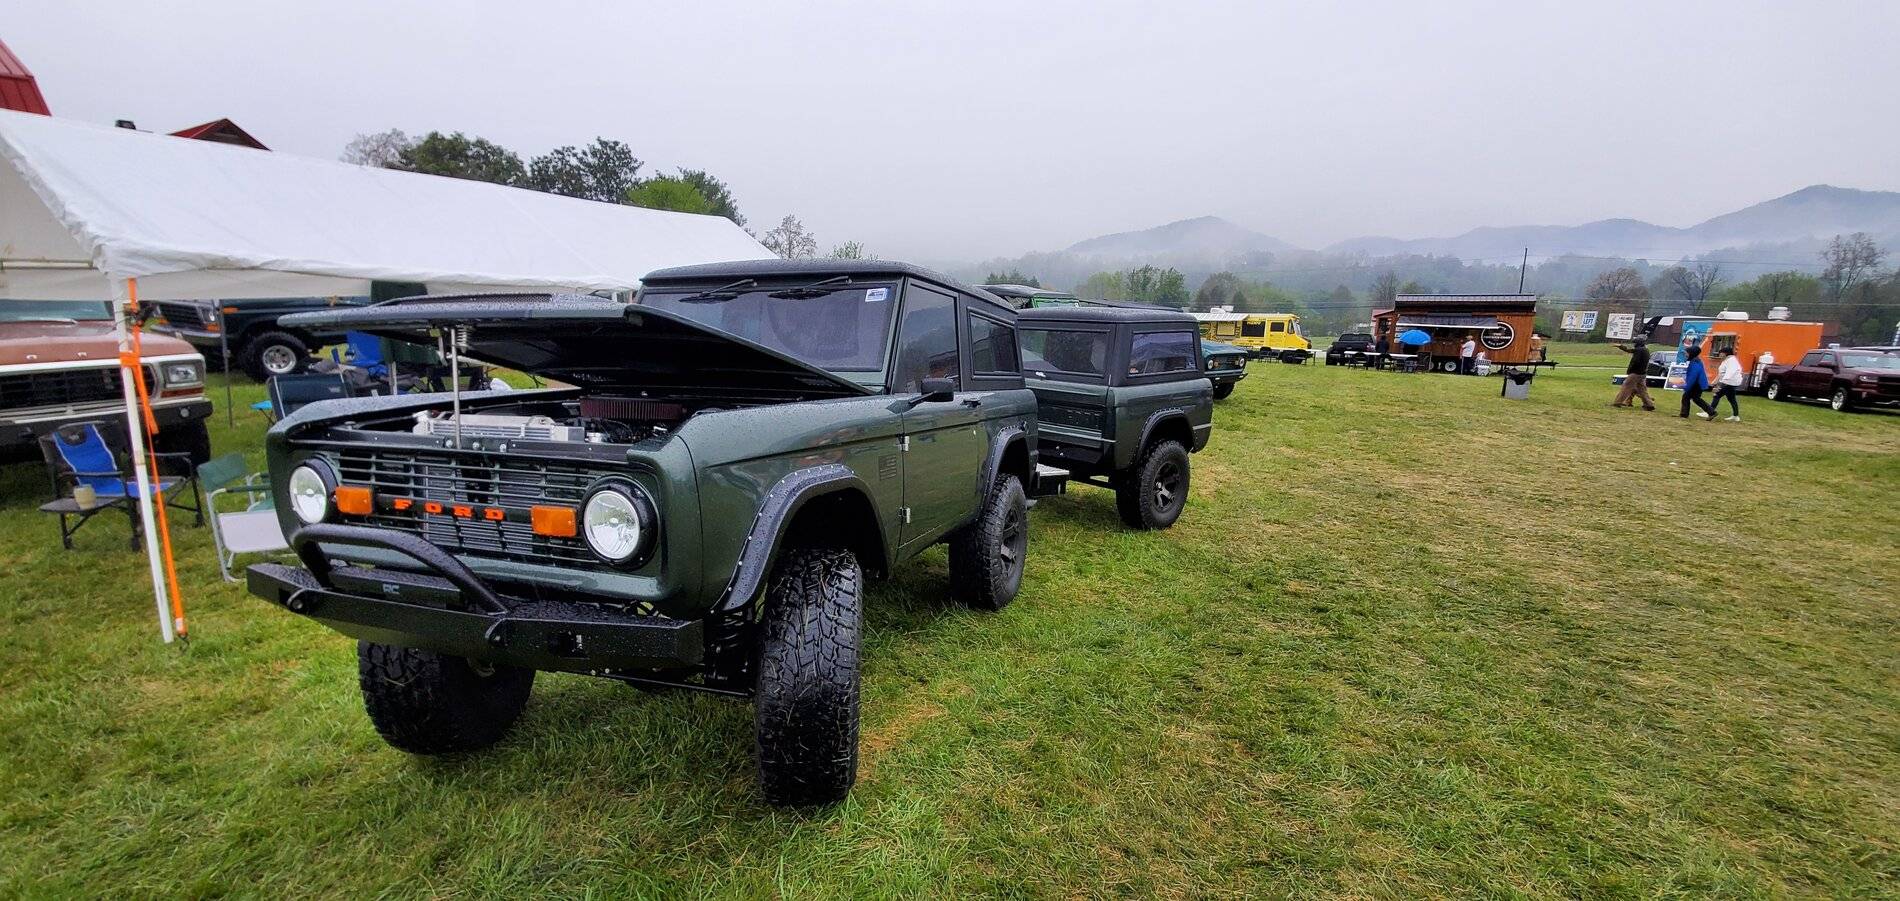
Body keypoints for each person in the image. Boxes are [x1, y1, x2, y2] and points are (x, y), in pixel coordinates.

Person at [1611, 337, 1656, 410]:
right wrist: (1620, 346)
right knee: (1642, 390)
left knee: (1626, 387)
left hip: (1636, 373)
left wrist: (1630, 370)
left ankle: (1617, 402)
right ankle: (1649, 404)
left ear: (1638, 343)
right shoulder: (1645, 350)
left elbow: (1635, 361)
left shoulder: (1639, 350)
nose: (1634, 344)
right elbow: (1630, 350)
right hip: (1642, 373)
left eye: (1635, 343)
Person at [1679, 345, 1717, 419]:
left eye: (1687, 353)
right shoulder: (1696, 361)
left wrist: (1687, 387)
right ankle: (1712, 412)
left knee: (1686, 397)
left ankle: (1684, 414)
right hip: (1699, 383)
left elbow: (1693, 377)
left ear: (1692, 353)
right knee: (1696, 399)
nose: (1685, 354)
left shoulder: (1694, 363)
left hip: (1696, 384)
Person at [1710, 348, 1744, 421]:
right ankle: (1735, 416)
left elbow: (1729, 373)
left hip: (1729, 382)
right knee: (1731, 398)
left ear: (1725, 353)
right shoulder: (1726, 360)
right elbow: (1721, 373)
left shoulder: (1731, 361)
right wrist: (1715, 381)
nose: (1719, 355)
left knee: (1717, 395)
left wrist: (1720, 383)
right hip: (1728, 382)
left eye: (1721, 353)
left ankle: (1710, 412)